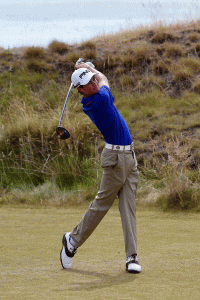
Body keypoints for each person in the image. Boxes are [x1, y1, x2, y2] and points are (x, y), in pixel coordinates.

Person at [60, 62, 141, 273]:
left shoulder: (93, 92)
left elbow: (100, 78)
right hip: (115, 159)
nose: (94, 83)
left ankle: (132, 257)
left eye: (93, 79)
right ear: (81, 90)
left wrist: (86, 69)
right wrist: (89, 67)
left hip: (129, 156)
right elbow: (104, 78)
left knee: (128, 207)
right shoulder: (98, 100)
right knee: (102, 205)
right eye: (88, 83)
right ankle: (72, 241)